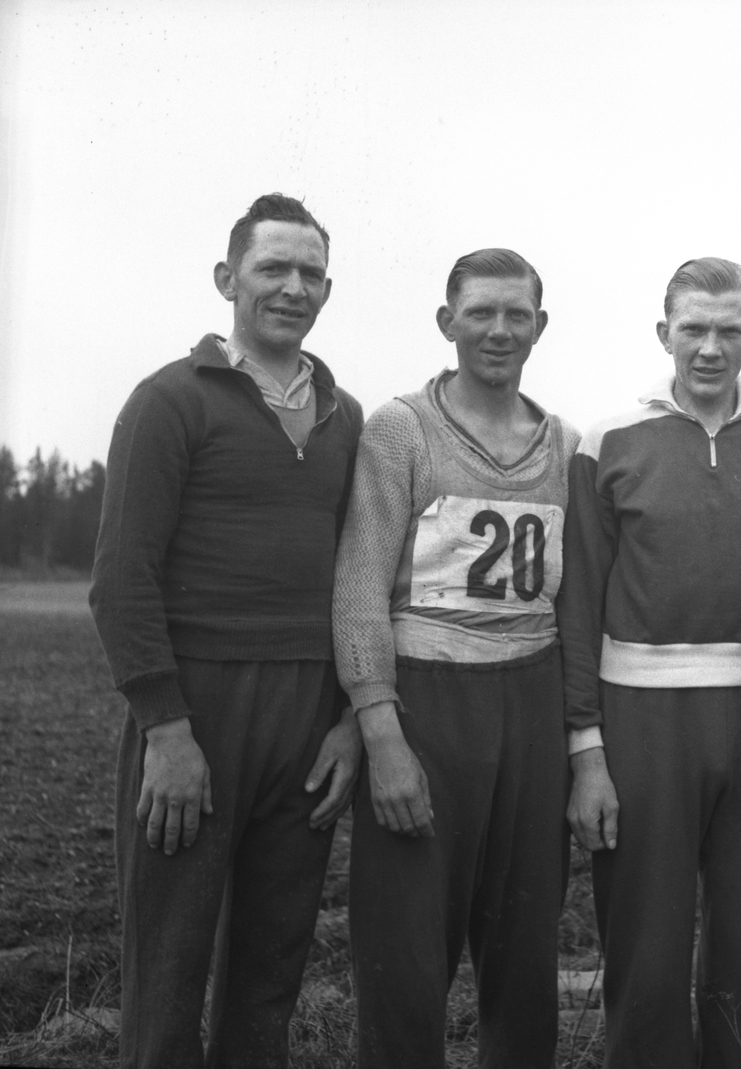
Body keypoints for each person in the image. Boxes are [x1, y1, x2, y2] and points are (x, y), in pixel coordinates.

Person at [90, 193, 364, 1069]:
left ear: (328, 290)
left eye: (310, 272)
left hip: (308, 719)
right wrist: (166, 730)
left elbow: (360, 578)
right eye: (272, 267)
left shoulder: (345, 415)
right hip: (197, 712)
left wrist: (348, 719)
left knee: (269, 975)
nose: (293, 287)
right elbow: (119, 579)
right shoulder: (170, 400)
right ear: (227, 279)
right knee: (167, 975)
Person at [560, 258, 741, 1068]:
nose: (710, 347)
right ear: (664, 333)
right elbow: (579, 604)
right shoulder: (608, 443)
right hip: (642, 714)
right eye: (693, 329)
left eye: (728, 330)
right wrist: (587, 749)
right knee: (646, 937)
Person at [332, 248, 578, 1068]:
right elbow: (360, 585)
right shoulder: (401, 427)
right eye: (480, 313)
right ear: (448, 322)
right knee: (405, 949)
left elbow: (570, 599)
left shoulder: (565, 443)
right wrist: (381, 732)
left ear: (540, 326)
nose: (499, 330)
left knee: (524, 947)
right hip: (428, 702)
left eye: (516, 315)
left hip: (532, 700)